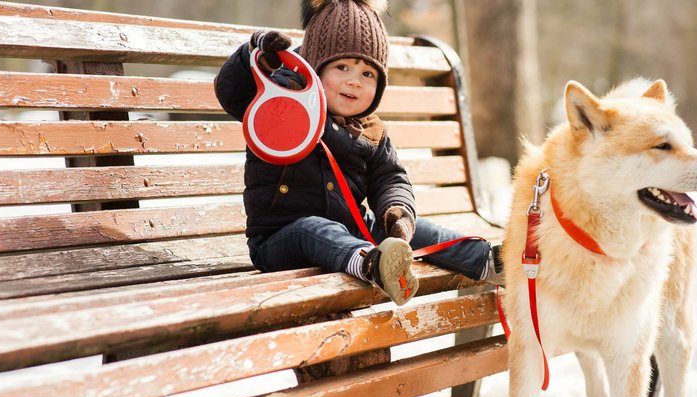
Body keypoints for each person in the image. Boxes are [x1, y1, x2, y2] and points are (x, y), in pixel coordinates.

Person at [214, 0, 502, 306]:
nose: (354, 80)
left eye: (368, 74)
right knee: (314, 229)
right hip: (280, 239)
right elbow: (233, 95)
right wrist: (253, 56)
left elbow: (391, 177)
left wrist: (397, 213)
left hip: (351, 230)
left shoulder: (370, 130)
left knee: (404, 230)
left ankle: (488, 261)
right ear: (314, 65)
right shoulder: (283, 101)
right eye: (342, 67)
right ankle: (374, 265)